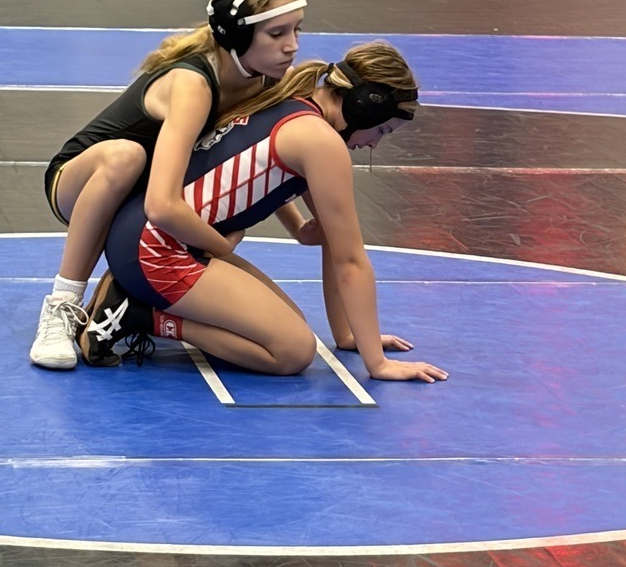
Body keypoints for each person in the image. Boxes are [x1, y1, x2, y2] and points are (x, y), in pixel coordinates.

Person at [80, 42, 449, 385]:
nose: (373, 143)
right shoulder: (320, 141)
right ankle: (137, 315)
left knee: (290, 325)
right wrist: (377, 365)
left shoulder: (294, 102)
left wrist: (349, 336)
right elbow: (351, 260)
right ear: (363, 106)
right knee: (292, 351)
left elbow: (330, 242)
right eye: (382, 130)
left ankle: (132, 298)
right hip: (157, 250)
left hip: (148, 237)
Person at [30, 0, 311, 370]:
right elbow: (162, 204)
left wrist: (299, 225)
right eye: (276, 33)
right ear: (234, 33)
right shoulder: (195, 84)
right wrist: (219, 250)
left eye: (296, 29)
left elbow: (260, 159)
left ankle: (131, 306)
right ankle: (61, 306)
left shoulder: (262, 77)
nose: (293, 46)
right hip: (82, 181)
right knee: (126, 156)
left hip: (139, 202)